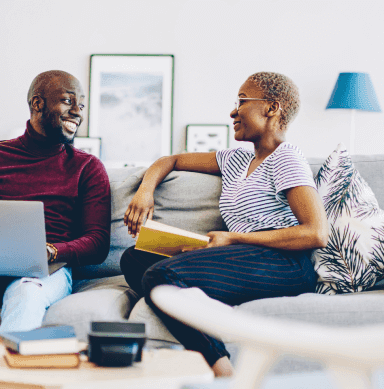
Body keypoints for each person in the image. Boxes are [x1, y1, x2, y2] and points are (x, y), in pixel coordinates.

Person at [120, 72, 328, 377]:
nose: (233, 111)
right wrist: (145, 191)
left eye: (242, 101)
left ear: (271, 107)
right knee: (134, 258)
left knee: (161, 274)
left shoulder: (286, 157)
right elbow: (171, 160)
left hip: (284, 264)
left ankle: (223, 369)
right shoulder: (235, 160)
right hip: (242, 258)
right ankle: (192, 292)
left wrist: (233, 240)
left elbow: (315, 233)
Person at [0, 70, 111, 346]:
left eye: (81, 106)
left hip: (44, 270)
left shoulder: (87, 167)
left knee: (26, 295)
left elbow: (97, 243)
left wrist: (52, 251)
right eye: (67, 101)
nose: (77, 112)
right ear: (37, 104)